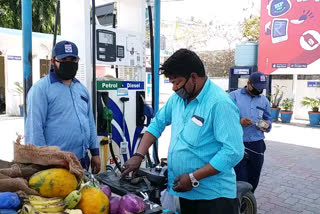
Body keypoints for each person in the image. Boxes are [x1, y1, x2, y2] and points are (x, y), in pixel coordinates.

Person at [122, 49, 244, 214]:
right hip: (185, 193)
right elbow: (157, 124)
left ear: (193, 77)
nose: (174, 88)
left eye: (177, 82)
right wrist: (139, 155)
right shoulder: (178, 99)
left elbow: (233, 152)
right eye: (171, 83)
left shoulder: (220, 103)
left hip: (214, 199)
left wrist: (194, 177)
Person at [25, 40, 101, 174]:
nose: (69, 63)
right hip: (55, 166)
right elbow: (34, 129)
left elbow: (89, 122)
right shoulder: (41, 89)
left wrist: (95, 152)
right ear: (53, 61)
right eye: (63, 59)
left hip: (81, 161)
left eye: (72, 59)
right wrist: (43, 164)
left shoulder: (81, 89)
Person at [229, 72, 272, 193]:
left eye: (261, 88)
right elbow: (224, 117)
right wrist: (239, 121)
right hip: (237, 144)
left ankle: (247, 204)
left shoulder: (264, 101)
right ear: (248, 83)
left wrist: (267, 125)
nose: (259, 90)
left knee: (254, 179)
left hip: (257, 145)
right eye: (256, 87)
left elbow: (269, 119)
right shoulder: (233, 96)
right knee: (240, 180)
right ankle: (238, 207)